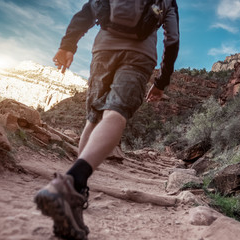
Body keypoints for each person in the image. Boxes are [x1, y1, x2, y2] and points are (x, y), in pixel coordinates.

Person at [34, 0, 179, 239]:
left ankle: (74, 202)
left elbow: (87, 13)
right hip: (139, 55)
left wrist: (68, 44)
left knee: (94, 118)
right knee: (116, 114)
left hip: (103, 50)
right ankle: (71, 182)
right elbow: (172, 39)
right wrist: (162, 81)